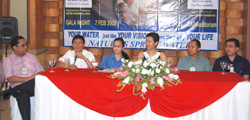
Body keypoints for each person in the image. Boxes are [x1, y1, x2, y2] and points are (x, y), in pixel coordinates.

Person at [3, 36, 44, 120]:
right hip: (19, 87)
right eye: (23, 45)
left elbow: (41, 72)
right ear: (15, 47)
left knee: (30, 85)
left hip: (32, 86)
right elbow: (10, 78)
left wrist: (32, 78)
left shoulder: (32, 57)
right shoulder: (8, 60)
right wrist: (28, 79)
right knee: (23, 95)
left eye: (26, 45)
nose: (26, 47)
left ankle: (10, 91)